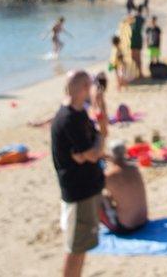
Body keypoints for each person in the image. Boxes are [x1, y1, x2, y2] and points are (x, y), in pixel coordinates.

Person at [51, 70, 104, 277]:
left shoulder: (79, 112)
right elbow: (93, 152)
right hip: (78, 191)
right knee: (76, 248)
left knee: (81, 246)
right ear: (83, 88)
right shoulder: (69, 118)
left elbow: (94, 145)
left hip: (85, 188)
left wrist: (95, 145)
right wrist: (97, 145)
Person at [100, 140, 148, 235]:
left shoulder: (109, 175)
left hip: (127, 226)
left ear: (110, 155)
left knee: (96, 200)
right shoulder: (135, 169)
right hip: (144, 221)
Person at [91, 72, 109, 138]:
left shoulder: (93, 88)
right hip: (99, 113)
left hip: (95, 113)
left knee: (102, 134)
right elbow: (101, 105)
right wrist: (104, 115)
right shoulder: (99, 91)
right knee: (103, 134)